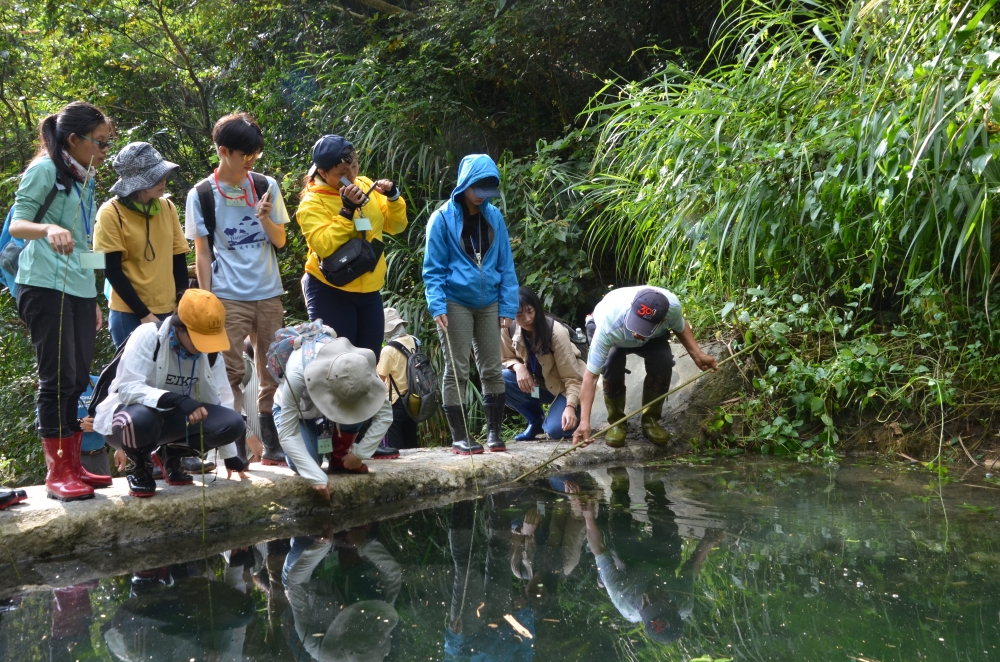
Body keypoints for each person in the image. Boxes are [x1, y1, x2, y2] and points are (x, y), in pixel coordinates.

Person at [8, 101, 113, 501]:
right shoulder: (45, 169)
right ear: (75, 139)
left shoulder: (83, 176)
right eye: (99, 143)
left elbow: (83, 241)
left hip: (80, 291)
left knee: (75, 380)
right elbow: (19, 223)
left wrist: (95, 295)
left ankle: (75, 466)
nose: (104, 151)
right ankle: (58, 474)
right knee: (56, 380)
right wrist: (48, 226)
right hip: (44, 287)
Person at [185, 112, 289, 470]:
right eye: (245, 155)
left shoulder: (265, 185)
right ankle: (236, 450)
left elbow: (281, 240)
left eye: (255, 155)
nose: (251, 162)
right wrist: (207, 298)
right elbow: (202, 251)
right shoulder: (200, 193)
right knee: (229, 375)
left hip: (268, 291)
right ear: (223, 150)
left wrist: (264, 218)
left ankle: (274, 446)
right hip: (227, 294)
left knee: (273, 370)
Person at [92, 289, 249, 498]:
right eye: (198, 339)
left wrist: (230, 455)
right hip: (126, 422)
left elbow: (223, 400)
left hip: (174, 422)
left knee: (232, 424)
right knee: (141, 419)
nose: (203, 347)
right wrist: (176, 400)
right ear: (180, 327)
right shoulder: (148, 335)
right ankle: (139, 467)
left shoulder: (210, 353)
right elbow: (128, 388)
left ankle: (172, 455)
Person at [422, 154, 519, 455]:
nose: (482, 196)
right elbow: (433, 268)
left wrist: (507, 308)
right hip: (454, 301)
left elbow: (506, 265)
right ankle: (460, 437)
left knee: (492, 366)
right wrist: (437, 305)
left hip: (489, 301)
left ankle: (494, 434)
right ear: (464, 184)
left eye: (488, 189)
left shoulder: (495, 217)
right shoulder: (441, 218)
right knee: (457, 369)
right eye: (479, 188)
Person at [295, 134, 407, 359]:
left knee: (369, 360)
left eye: (354, 166)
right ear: (323, 173)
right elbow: (324, 245)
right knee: (336, 365)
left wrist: (394, 198)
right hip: (330, 289)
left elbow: (395, 226)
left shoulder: (366, 185)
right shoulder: (312, 203)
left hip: (369, 288)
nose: (351, 176)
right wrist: (346, 211)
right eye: (342, 173)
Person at [578, 473, 724, 645]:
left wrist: (588, 517)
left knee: (618, 522)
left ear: (644, 616)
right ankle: (654, 480)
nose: (651, 598)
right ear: (674, 608)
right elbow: (691, 568)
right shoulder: (684, 603)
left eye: (648, 607)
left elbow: (600, 549)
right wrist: (708, 542)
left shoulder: (623, 598)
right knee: (663, 515)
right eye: (659, 602)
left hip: (629, 566)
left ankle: (619, 483)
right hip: (663, 562)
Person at [573, 286, 718, 448]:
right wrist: (584, 422)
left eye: (643, 326)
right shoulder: (608, 323)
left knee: (663, 361)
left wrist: (697, 355)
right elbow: (591, 377)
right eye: (636, 322)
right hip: (616, 332)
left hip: (651, 337)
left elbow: (680, 326)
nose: (636, 332)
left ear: (663, 320)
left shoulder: (672, 309)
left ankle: (650, 421)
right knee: (611, 364)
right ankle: (617, 422)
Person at [94, 142, 189, 348]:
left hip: (169, 308)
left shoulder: (167, 206)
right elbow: (111, 269)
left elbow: (178, 257)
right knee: (133, 376)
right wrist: (143, 313)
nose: (163, 180)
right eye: (156, 176)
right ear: (136, 182)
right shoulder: (111, 213)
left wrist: (181, 303)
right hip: (129, 311)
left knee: (165, 376)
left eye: (163, 174)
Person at [275, 336, 392, 497]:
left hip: (326, 418)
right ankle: (325, 455)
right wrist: (316, 476)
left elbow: (385, 414)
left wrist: (359, 454)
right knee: (310, 462)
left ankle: (340, 459)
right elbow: (287, 434)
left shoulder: (360, 368)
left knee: (355, 412)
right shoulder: (298, 373)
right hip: (300, 414)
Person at [502, 286, 585, 441]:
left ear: (537, 308)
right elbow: (506, 359)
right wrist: (518, 367)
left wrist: (570, 407)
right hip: (539, 387)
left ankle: (577, 413)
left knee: (555, 430)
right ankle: (536, 421)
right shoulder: (508, 328)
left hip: (567, 388)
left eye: (530, 311)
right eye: (519, 315)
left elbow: (573, 378)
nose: (526, 319)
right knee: (501, 380)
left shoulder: (555, 332)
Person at [375, 307, 418, 452]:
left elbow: (379, 378)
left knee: (394, 448)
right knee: (412, 445)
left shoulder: (388, 350)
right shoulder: (414, 341)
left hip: (395, 402)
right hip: (414, 400)